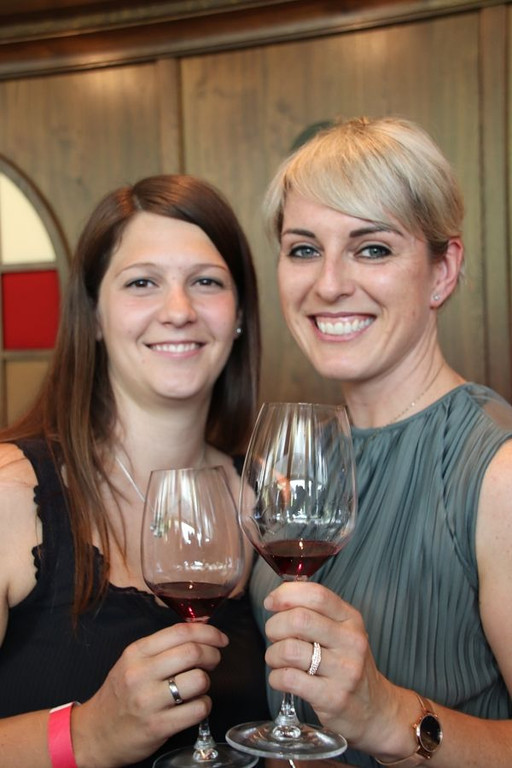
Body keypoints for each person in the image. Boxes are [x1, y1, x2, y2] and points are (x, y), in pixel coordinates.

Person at [250, 116, 512, 767]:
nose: (329, 283)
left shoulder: (496, 473)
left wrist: (389, 715)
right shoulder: (301, 451)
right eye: (304, 249)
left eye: (371, 249)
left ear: (442, 271)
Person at [0, 174, 269, 768]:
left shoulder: (266, 503)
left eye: (206, 282)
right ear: (94, 316)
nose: (179, 311)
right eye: (142, 282)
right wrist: (86, 735)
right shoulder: (11, 493)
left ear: (240, 315)